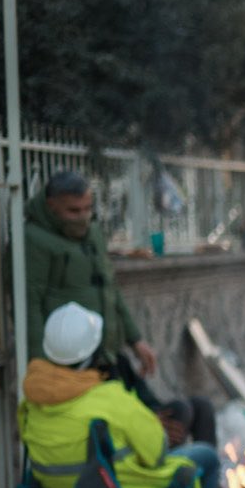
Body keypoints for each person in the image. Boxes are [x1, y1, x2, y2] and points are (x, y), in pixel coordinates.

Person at [18, 303, 231, 488]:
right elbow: (156, 453)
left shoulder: (32, 398)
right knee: (205, 456)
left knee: (109, 466)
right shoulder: (109, 398)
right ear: (93, 352)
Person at [25, 170, 215, 448]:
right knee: (168, 425)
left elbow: (111, 291)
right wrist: (41, 367)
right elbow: (30, 304)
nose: (82, 218)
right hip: (73, 367)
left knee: (193, 410)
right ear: (52, 206)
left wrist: (136, 340)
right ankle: (165, 480)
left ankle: (197, 484)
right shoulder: (36, 240)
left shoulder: (92, 235)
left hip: (109, 357)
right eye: (73, 211)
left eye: (88, 209)